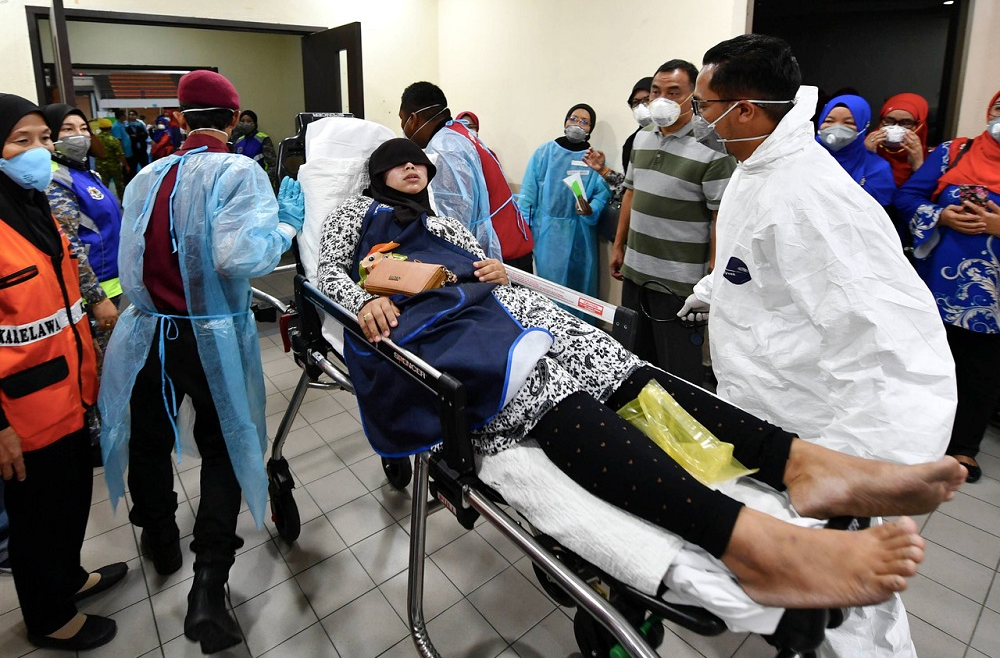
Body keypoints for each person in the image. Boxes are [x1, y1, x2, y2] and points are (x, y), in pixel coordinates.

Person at [316, 137, 966, 617]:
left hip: (498, 308)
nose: (412, 167)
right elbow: (329, 273)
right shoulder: (354, 215)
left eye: (418, 163)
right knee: (550, 391)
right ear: (377, 174)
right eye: (398, 161)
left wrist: (491, 269)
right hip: (432, 332)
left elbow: (483, 262)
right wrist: (361, 301)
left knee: (626, 370)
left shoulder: (445, 221)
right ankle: (750, 544)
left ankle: (795, 462)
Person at [677, 34, 958, 658]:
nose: (695, 117)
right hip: (768, 408)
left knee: (853, 596)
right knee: (800, 580)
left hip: (825, 428)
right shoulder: (756, 170)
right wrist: (711, 291)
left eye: (702, 103)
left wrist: (867, 467)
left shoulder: (812, 196)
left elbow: (890, 343)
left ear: (744, 108)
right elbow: (750, 262)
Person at [97, 71, 304, 655]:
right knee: (223, 447)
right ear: (235, 121)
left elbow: (130, 257)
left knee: (148, 441)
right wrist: (286, 221)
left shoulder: (144, 176)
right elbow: (240, 255)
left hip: (145, 334)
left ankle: (161, 540)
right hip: (209, 336)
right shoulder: (239, 172)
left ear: (182, 120)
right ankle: (208, 586)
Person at [0, 93, 127, 651]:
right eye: (20, 141)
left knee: (71, 497)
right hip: (22, 412)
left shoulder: (38, 209)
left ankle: (69, 577)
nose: (38, 151)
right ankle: (48, 616)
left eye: (43, 139)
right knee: (36, 518)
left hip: (70, 390)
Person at [893, 89, 1000, 484]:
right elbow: (907, 196)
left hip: (992, 298)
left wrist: (996, 226)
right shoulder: (953, 152)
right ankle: (916, 437)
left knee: (980, 372)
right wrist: (941, 215)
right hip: (936, 284)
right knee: (925, 360)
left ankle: (963, 449)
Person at [611, 61, 736, 384]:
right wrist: (619, 244)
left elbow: (720, 214)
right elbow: (630, 192)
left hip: (679, 282)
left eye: (673, 92)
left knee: (678, 369)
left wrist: (712, 273)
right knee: (634, 360)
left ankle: (679, 433)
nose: (660, 99)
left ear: (692, 96)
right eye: (656, 91)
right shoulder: (642, 137)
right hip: (636, 272)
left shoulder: (712, 147)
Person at [400, 82, 534, 271]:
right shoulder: (459, 134)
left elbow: (454, 221)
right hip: (514, 242)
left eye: (402, 119)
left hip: (501, 256)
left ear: (413, 118)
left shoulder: (444, 147)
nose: (402, 127)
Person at [43, 104, 122, 354]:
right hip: (90, 294)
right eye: (68, 128)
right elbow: (70, 245)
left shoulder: (86, 173)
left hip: (113, 284)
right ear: (51, 135)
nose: (79, 134)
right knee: (97, 366)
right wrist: (97, 298)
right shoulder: (54, 180)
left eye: (84, 128)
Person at [519, 104, 610, 297]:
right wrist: (524, 233)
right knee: (548, 290)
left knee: (579, 292)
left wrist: (589, 209)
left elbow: (601, 195)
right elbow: (527, 196)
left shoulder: (594, 159)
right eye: (574, 119)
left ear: (590, 130)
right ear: (565, 121)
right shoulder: (544, 153)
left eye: (585, 122)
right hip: (546, 236)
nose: (578, 124)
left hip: (581, 237)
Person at [816, 94, 896, 206]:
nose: (837, 127)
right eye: (829, 121)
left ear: (863, 127)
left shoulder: (877, 168)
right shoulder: (801, 156)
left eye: (848, 123)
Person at [584, 76, 654, 197]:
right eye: (636, 103)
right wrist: (604, 170)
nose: (641, 107)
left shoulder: (677, 137)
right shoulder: (632, 142)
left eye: (647, 100)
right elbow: (628, 188)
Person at [865, 93, 930, 186]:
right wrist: (866, 156)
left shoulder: (933, 157)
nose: (896, 127)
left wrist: (918, 166)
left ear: (920, 126)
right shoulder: (864, 146)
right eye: (889, 121)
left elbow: (927, 194)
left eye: (906, 123)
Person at [232, 110, 277, 191]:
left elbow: (273, 164)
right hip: (243, 186)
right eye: (242, 121)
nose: (245, 123)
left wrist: (265, 182)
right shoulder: (239, 141)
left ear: (255, 123)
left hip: (261, 184)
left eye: (249, 121)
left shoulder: (263, 138)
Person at [92, 118, 128, 196]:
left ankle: (102, 203)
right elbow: (120, 155)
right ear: (110, 128)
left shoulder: (95, 139)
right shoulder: (113, 140)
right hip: (114, 166)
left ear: (100, 128)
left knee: (102, 186)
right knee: (119, 185)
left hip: (100, 166)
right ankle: (122, 202)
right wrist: (126, 165)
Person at [110, 110, 134, 179]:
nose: (126, 117)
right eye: (124, 115)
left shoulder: (122, 124)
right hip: (124, 153)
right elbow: (118, 141)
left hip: (128, 152)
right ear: (121, 116)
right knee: (126, 173)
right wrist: (121, 154)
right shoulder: (116, 126)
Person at [127, 109, 150, 174]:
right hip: (132, 150)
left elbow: (145, 134)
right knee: (133, 168)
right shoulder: (126, 125)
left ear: (136, 116)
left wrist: (137, 136)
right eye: (130, 115)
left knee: (145, 166)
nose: (132, 116)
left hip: (142, 149)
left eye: (133, 115)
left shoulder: (140, 124)